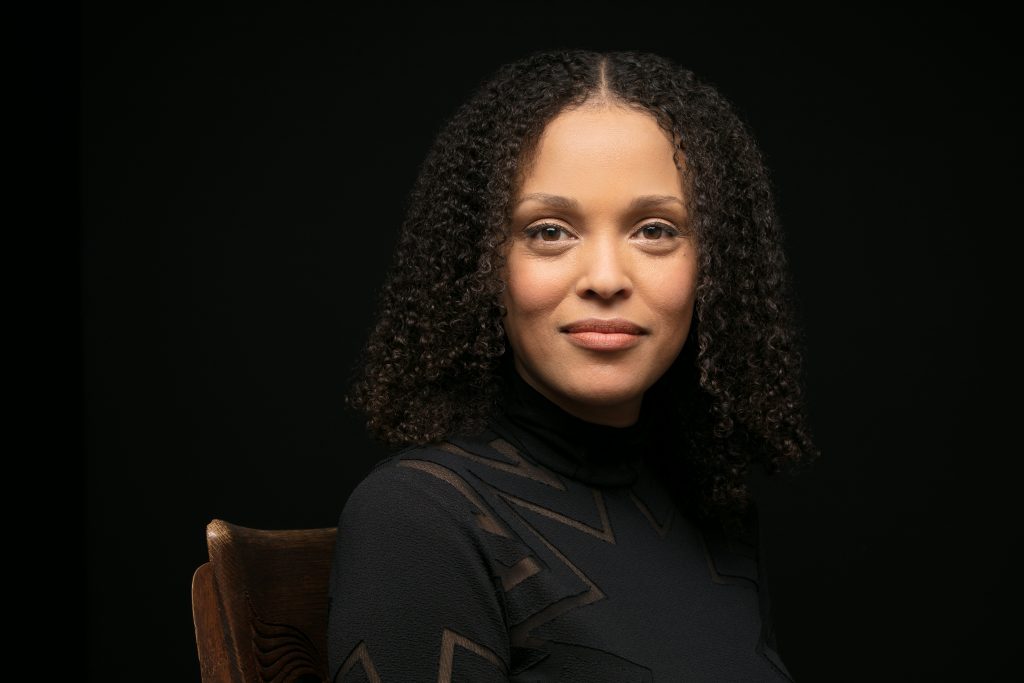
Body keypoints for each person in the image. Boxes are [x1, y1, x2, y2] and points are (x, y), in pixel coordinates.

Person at [327, 47, 818, 682]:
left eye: (655, 230)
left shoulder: (712, 513)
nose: (607, 278)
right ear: (482, 264)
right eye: (550, 231)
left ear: (715, 266)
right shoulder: (420, 520)